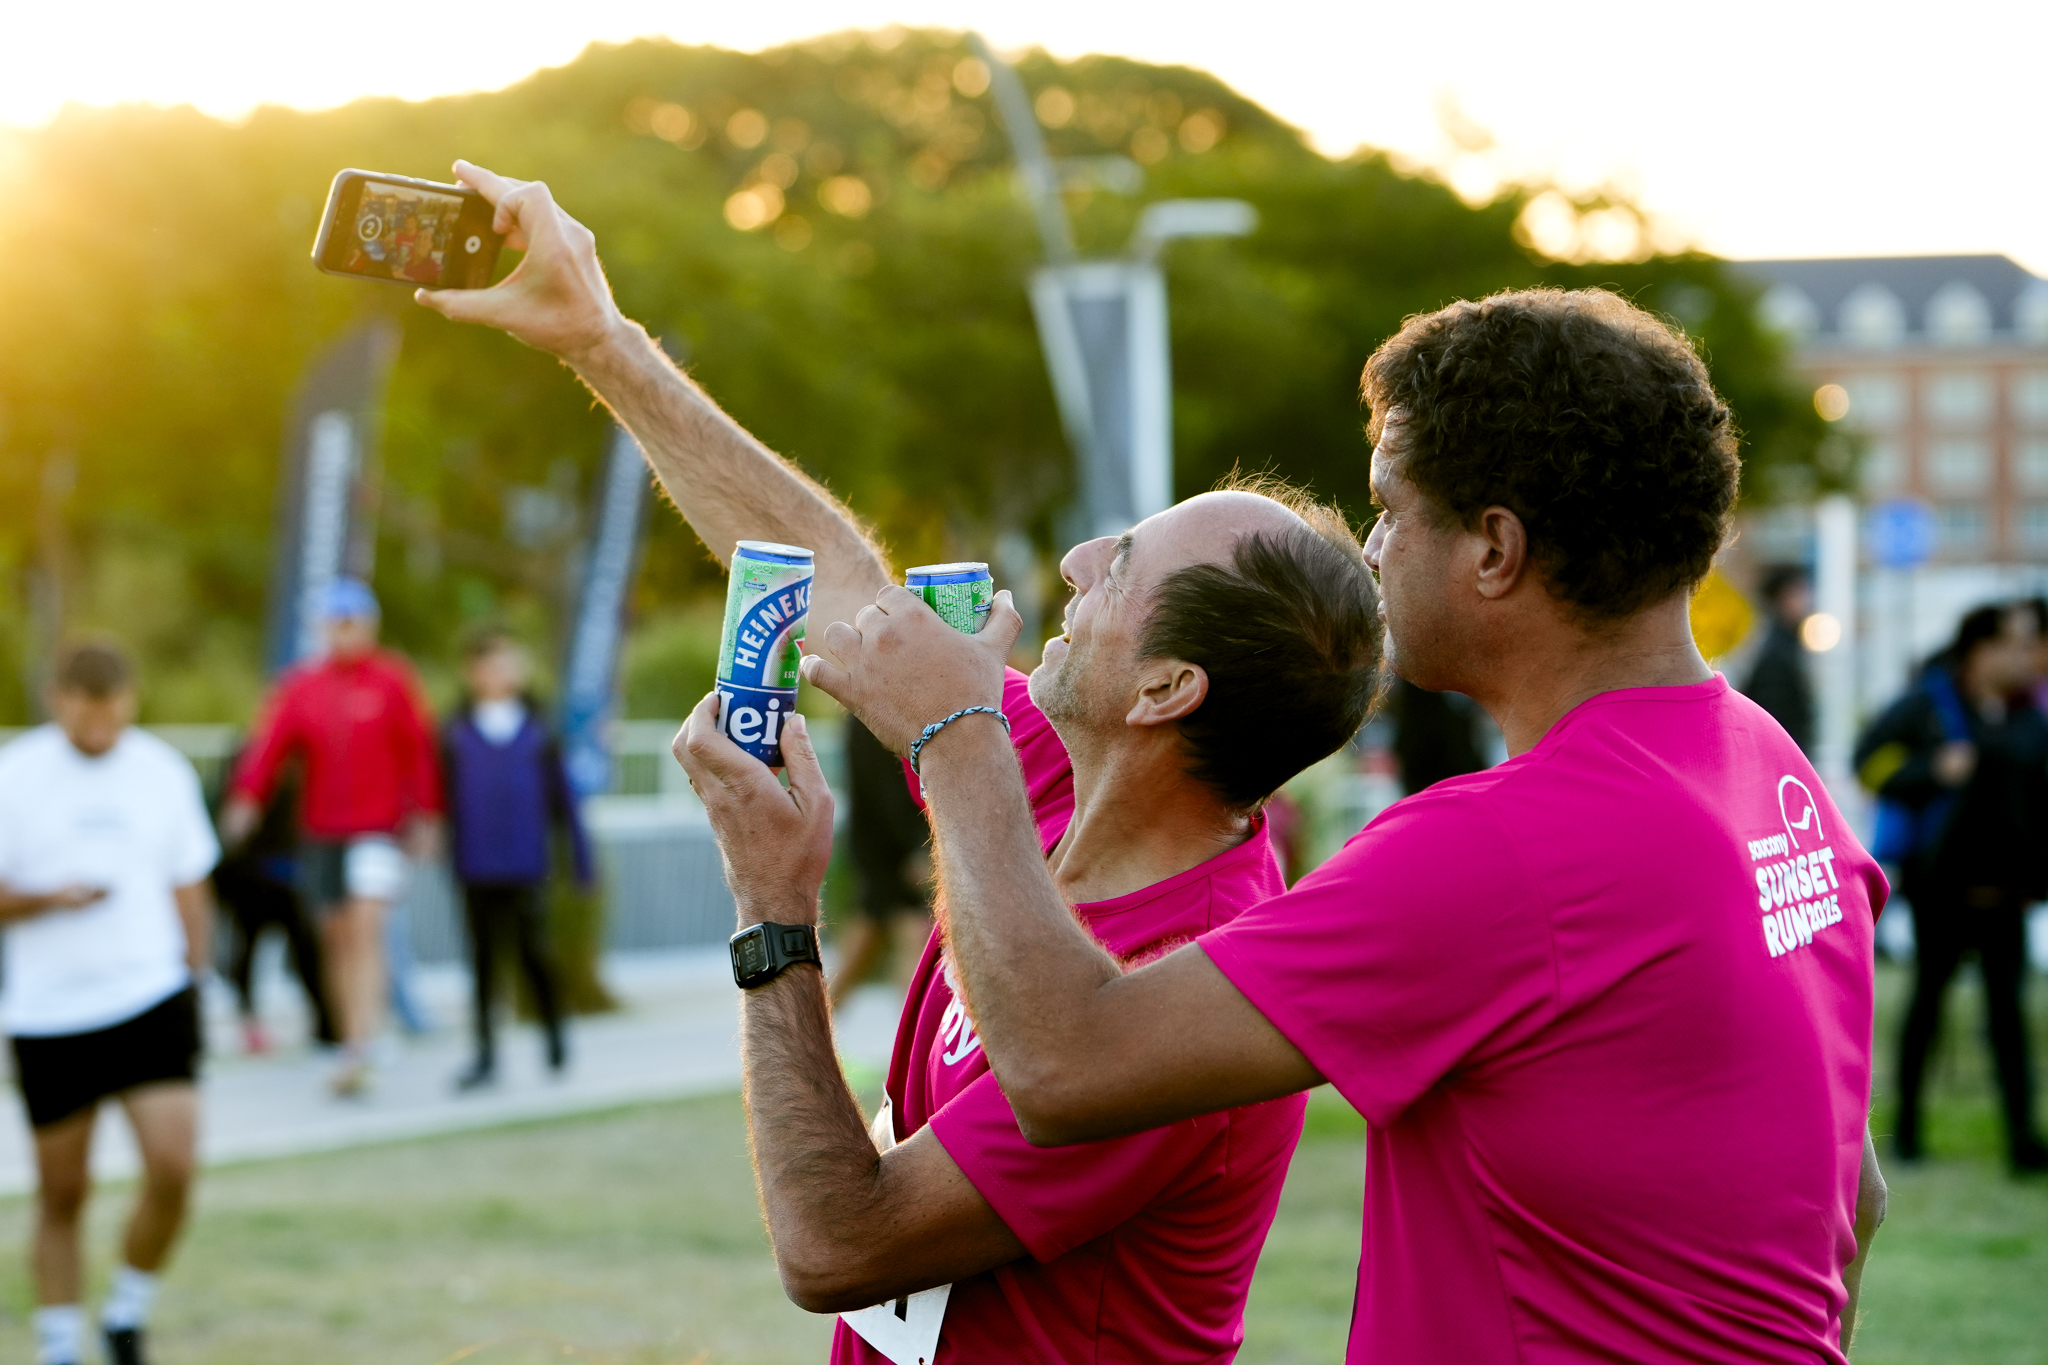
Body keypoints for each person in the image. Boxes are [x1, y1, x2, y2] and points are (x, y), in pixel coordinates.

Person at [798, 289, 1894, 1362]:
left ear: (1493, 549)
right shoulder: (1765, 767)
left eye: (1389, 509)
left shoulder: (1502, 847)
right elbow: (1853, 1197)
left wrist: (957, 736)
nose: (1372, 551)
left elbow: (1061, 1066)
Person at [418, 160, 1382, 1363]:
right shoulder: (1045, 774)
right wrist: (601, 341)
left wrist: (773, 911)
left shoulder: (1183, 997)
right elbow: (839, 588)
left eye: (1123, 564)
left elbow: (838, 1246)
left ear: (1163, 692)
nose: (1076, 560)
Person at [0, 642, 218, 1365]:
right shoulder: (15, 774)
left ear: (132, 700)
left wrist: (197, 977)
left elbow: (190, 883)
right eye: (86, 716)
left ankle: (127, 1311)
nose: (100, 730)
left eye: (112, 715)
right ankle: (59, 1344)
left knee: (174, 1166)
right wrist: (45, 899)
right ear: (57, 700)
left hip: (150, 994)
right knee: (63, 1191)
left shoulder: (162, 771)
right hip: (51, 1011)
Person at [223, 578, 442, 1096]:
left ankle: (366, 1039)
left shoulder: (392, 681)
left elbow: (418, 750)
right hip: (322, 832)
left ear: (369, 625)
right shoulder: (302, 686)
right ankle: (349, 1041)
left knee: (366, 929)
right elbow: (269, 747)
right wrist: (246, 798)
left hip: (376, 830)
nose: (344, 633)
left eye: (352, 623)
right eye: (335, 624)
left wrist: (428, 815)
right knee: (336, 939)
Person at [1855, 602, 2048, 1171]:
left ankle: (2023, 1141)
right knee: (1926, 1007)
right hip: (1940, 891)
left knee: (2009, 1017)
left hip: (2007, 895)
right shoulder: (1928, 704)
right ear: (1980, 650)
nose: (2028, 656)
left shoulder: (2029, 715)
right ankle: (1908, 1133)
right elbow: (1868, 763)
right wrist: (1930, 769)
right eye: (2016, 644)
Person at [441, 626, 590, 1090]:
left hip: (526, 864)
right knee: (482, 961)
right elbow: (439, 797)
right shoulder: (455, 732)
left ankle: (554, 1035)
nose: (505, 672)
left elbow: (564, 800)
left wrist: (579, 859)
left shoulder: (538, 730)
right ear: (474, 672)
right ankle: (485, 1054)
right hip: (474, 865)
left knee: (533, 953)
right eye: (494, 664)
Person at [210, 766, 338, 1053]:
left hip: (290, 876)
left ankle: (327, 1026)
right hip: (254, 876)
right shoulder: (251, 765)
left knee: (307, 953)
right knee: (247, 952)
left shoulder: (303, 765)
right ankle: (251, 1025)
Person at [827, 717, 933, 1007]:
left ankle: (806, 1026)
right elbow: (894, 786)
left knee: (871, 934)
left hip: (877, 842)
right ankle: (912, 1035)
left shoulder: (859, 715)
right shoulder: (881, 716)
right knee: (912, 935)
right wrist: (922, 846)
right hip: (900, 845)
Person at [1742, 563, 1817, 753]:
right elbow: (1777, 716)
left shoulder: (1786, 643)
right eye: (1800, 593)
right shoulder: (1776, 652)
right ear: (1784, 598)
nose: (1807, 601)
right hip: (1784, 755)